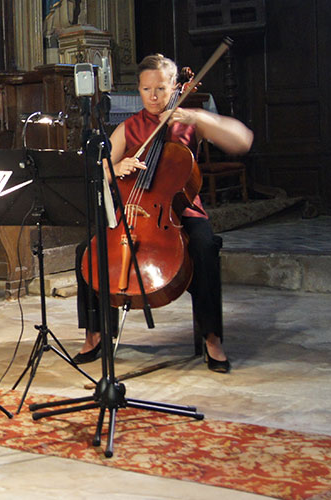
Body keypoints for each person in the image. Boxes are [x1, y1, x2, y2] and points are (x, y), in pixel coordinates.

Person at [72, 53, 253, 373]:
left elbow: (242, 141)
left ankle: (212, 337)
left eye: (160, 88)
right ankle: (96, 333)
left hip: (180, 213)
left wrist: (200, 119)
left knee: (205, 248)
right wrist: (117, 166)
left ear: (173, 87)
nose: (153, 96)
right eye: (145, 89)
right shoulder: (129, 128)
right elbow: (101, 169)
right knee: (88, 251)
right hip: (134, 211)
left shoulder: (188, 123)